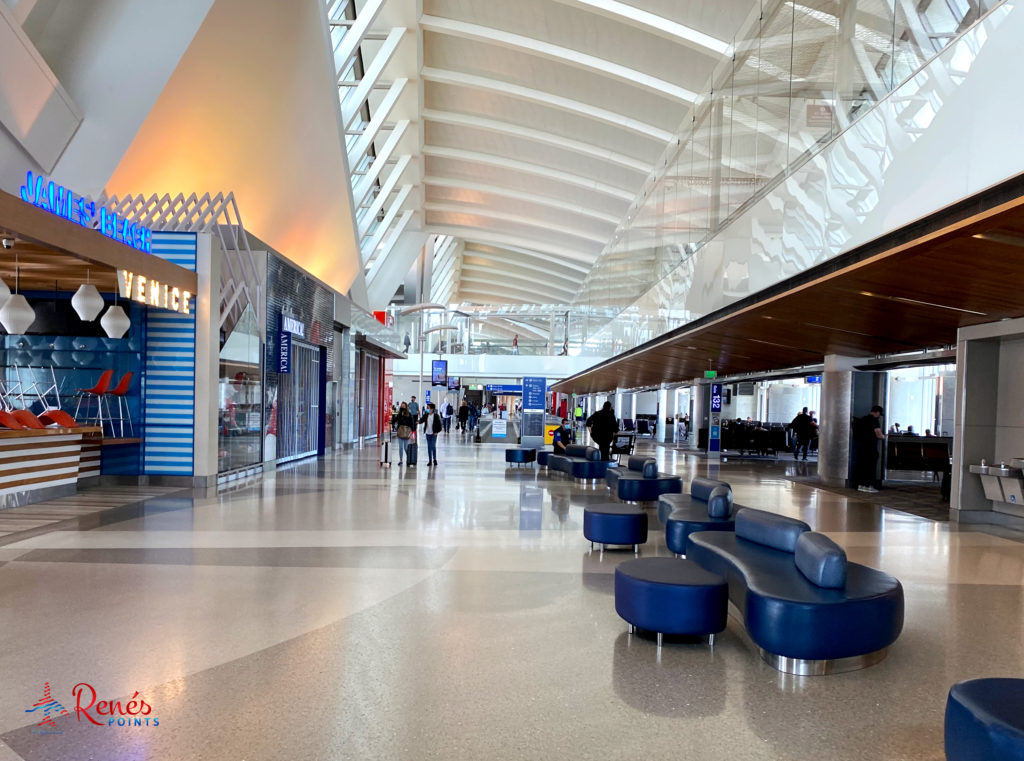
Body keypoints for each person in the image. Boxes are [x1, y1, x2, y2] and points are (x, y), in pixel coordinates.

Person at [853, 405, 885, 493]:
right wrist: (884, 437)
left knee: (862, 466)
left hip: (861, 447)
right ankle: (868, 485)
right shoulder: (874, 420)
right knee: (870, 467)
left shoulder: (863, 419)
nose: (879, 416)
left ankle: (861, 485)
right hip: (870, 447)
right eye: (879, 414)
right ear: (877, 412)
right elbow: (878, 434)